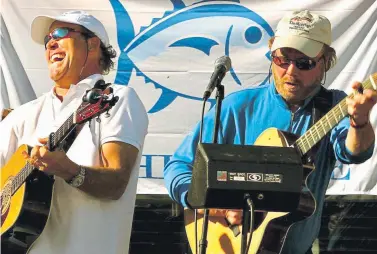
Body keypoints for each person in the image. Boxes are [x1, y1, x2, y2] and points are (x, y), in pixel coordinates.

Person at [163, 10, 377, 253]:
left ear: (325, 63)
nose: (291, 71)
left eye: (304, 63)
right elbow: (179, 166)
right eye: (282, 60)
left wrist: (359, 121)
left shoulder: (335, 107)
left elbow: (354, 153)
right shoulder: (237, 106)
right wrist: (214, 207)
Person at [0, 10, 148, 254]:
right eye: (47, 40)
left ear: (92, 44)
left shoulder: (117, 98)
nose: (51, 43)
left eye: (60, 33)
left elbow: (116, 183)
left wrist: (69, 170)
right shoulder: (22, 115)